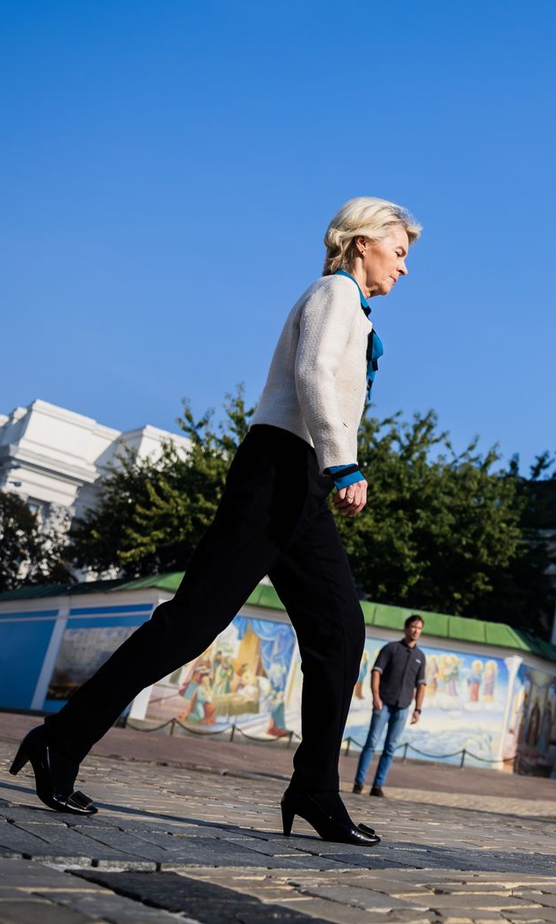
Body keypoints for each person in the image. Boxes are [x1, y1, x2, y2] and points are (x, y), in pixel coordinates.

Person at [9, 197, 420, 847]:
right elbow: (312, 372)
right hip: (281, 469)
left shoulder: (352, 306)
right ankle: (60, 737)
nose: (404, 266)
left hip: (303, 481)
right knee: (191, 623)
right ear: (362, 239)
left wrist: (328, 470)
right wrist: (345, 465)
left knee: (340, 630)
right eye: (399, 250)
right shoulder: (334, 292)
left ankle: (314, 787)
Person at [353, 615, 427, 796]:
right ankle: (359, 783)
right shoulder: (391, 648)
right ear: (406, 628)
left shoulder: (420, 656)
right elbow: (376, 672)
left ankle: (377, 786)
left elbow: (421, 685)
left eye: (419, 628)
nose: (416, 631)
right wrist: (376, 697)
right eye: (413, 627)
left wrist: (418, 709)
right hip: (383, 704)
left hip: (402, 707)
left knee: (390, 747)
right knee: (371, 743)